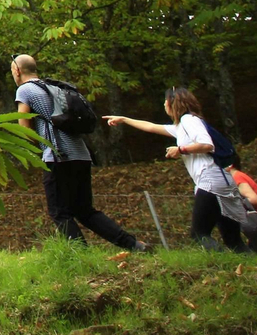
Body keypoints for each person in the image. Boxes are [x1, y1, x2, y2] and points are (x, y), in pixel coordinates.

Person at [11, 55, 147, 250]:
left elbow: (23, 127)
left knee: (59, 212)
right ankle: (134, 245)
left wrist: (38, 146)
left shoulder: (25, 90)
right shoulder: (55, 88)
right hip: (81, 155)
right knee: (85, 211)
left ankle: (82, 256)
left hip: (58, 156)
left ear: (17, 70)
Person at [105, 87, 245, 251]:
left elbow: (207, 144)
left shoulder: (188, 121)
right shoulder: (182, 125)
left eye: (165, 101)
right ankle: (250, 269)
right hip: (222, 179)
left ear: (172, 103)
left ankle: (223, 264)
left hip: (211, 180)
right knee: (233, 239)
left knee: (199, 234)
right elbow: (151, 127)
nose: (164, 104)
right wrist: (124, 119)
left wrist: (180, 150)